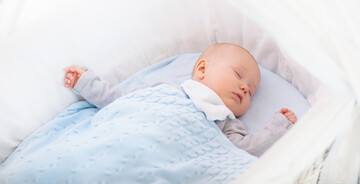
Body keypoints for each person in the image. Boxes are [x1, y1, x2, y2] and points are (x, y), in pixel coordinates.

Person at [64, 43, 297, 157]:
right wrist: (87, 84)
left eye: (251, 93)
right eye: (238, 75)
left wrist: (277, 128)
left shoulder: (227, 122)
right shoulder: (167, 91)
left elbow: (245, 150)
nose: (245, 88)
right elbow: (121, 100)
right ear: (203, 69)